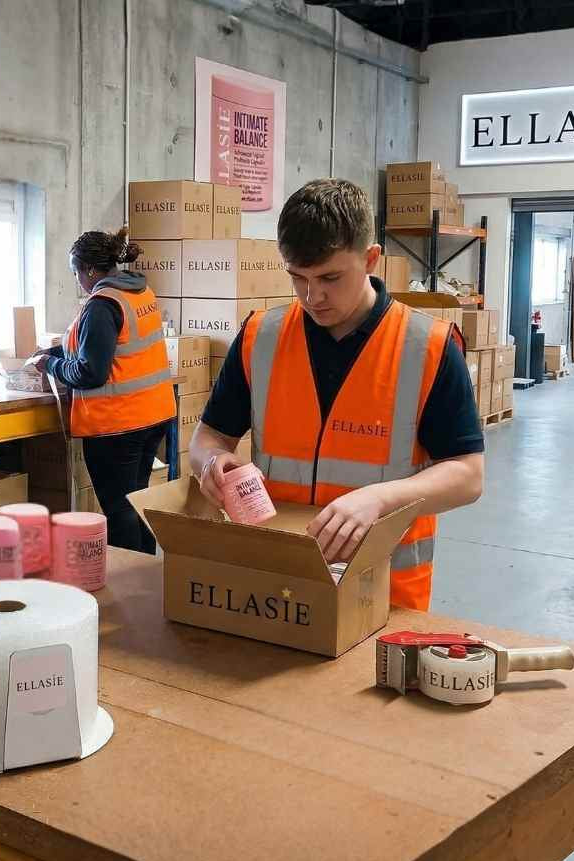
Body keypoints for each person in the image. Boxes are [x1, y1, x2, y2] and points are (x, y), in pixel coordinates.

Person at [190, 179, 485, 610]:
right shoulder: (261, 337)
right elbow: (208, 438)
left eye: (330, 277)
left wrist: (380, 498)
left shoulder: (429, 347)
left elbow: (468, 476)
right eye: (298, 278)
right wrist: (212, 463)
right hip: (279, 586)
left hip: (383, 595)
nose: (313, 296)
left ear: (370, 259)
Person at [33, 227, 176, 553]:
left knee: (119, 508)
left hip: (118, 424)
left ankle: (126, 577)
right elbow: (108, 349)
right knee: (137, 499)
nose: (77, 281)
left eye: (75, 273)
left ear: (89, 270)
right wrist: (56, 354)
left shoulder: (102, 303)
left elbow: (91, 372)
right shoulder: (139, 292)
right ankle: (145, 576)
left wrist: (51, 367)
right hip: (153, 415)